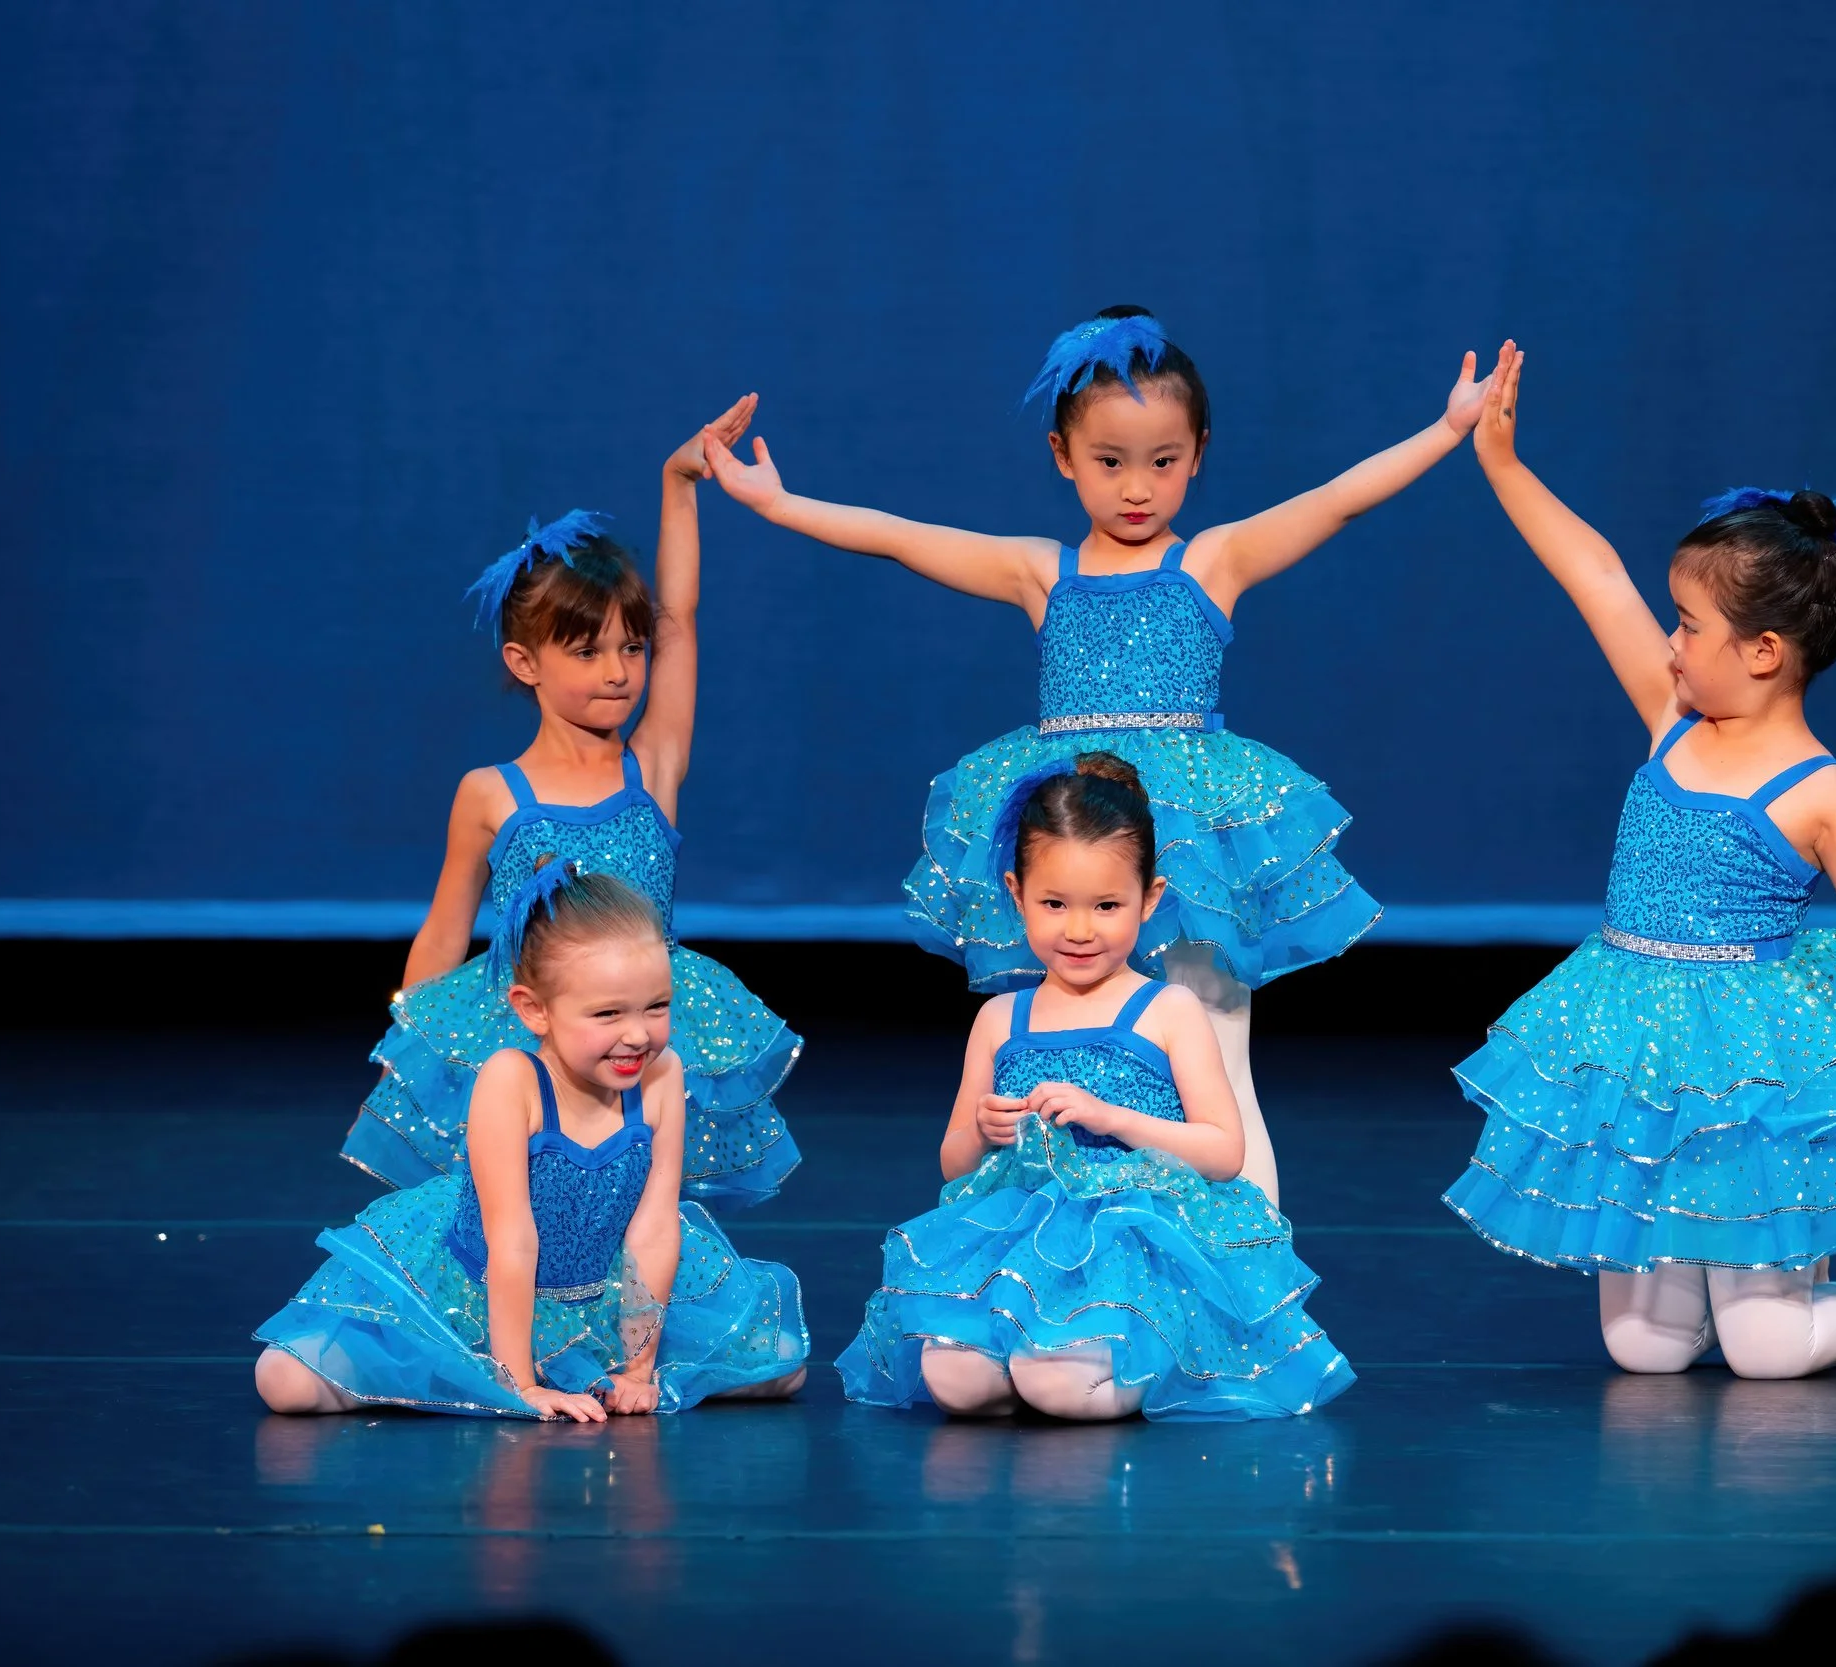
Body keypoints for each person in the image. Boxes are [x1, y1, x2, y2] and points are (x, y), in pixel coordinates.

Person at [711, 307, 1498, 1205]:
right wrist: (778, 504)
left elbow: (1339, 498)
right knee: (1073, 1065)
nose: (1138, 487)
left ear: (1198, 451)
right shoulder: (1040, 572)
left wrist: (1445, 429)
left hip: (1188, 845)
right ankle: (1101, 1270)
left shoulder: (1213, 560)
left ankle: (1252, 1281)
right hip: (1076, 836)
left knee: (1216, 1067)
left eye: (1163, 462)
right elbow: (900, 536)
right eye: (1110, 462)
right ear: (1062, 455)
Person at [1444, 345, 1836, 1379]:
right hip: (1640, 1037)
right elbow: (1592, 572)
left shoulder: (1826, 795)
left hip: (1755, 1064)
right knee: (1642, 1351)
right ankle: (1724, 1294)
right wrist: (1504, 462)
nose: (1669, 642)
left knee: (1768, 1352)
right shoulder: (1668, 713)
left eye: (1689, 625)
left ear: (1763, 651)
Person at [341, 401, 801, 1204]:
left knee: (636, 1210)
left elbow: (681, 621)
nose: (619, 671)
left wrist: (678, 482)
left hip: (636, 1036)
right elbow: (444, 934)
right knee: (517, 1215)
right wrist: (402, 1060)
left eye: (629, 648)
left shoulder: (651, 768)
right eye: (587, 651)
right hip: (526, 1039)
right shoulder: (490, 794)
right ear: (525, 662)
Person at [836, 753, 1353, 1421]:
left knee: (1057, 1387)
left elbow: (1223, 1149)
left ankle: (1158, 1351)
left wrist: (1112, 1117)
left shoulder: (1167, 1010)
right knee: (956, 1383)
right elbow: (953, 1162)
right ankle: (1037, 1354)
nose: (1080, 929)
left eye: (1107, 905)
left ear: (1151, 898)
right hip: (1020, 1241)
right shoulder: (999, 1019)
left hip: (1133, 1244)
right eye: (1054, 904)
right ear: (1016, 893)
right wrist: (986, 1130)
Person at [259, 864, 807, 1417]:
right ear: (534, 1010)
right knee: (285, 1381)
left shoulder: (662, 1075)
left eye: (656, 1007)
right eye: (608, 1013)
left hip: (602, 1294)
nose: (638, 1034)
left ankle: (588, 1371)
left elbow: (654, 1226)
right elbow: (513, 1240)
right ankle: (482, 1370)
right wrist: (520, 1385)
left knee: (782, 1364)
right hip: (478, 1291)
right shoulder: (511, 1080)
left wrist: (639, 1369)